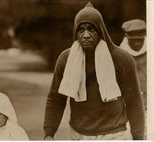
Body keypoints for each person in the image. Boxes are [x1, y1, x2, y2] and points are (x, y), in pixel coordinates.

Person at [43, 2, 145, 140]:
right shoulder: (65, 59)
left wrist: (138, 136)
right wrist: (49, 133)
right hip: (78, 134)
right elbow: (55, 99)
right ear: (75, 32)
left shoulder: (121, 58)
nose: (85, 35)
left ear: (101, 30)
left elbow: (134, 101)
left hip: (114, 134)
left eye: (91, 29)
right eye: (81, 30)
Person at [120, 19, 147, 109]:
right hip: (131, 107)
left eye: (140, 40)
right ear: (126, 38)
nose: (137, 43)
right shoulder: (120, 56)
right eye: (133, 40)